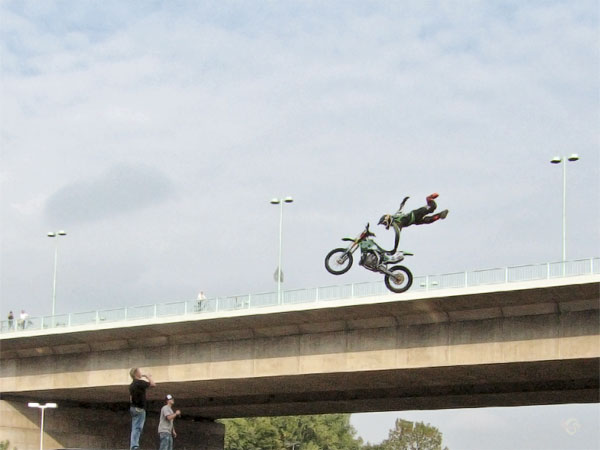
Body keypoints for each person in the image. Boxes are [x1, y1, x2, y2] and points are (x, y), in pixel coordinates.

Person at [378, 193, 449, 254]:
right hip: (415, 221)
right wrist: (403, 201)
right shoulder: (396, 220)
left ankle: (429, 198)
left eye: (384, 223)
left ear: (387, 219)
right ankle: (440, 215)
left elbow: (397, 235)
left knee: (432, 207)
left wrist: (395, 248)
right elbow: (401, 208)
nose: (385, 225)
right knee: (429, 220)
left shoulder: (396, 223)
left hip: (416, 213)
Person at [129, 367, 155, 450]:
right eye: (140, 372)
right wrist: (147, 376)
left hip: (133, 407)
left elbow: (130, 398)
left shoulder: (131, 385)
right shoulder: (139, 383)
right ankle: (134, 446)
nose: (141, 373)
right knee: (138, 428)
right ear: (136, 373)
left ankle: (133, 445)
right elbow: (153, 384)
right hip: (140, 408)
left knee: (134, 427)